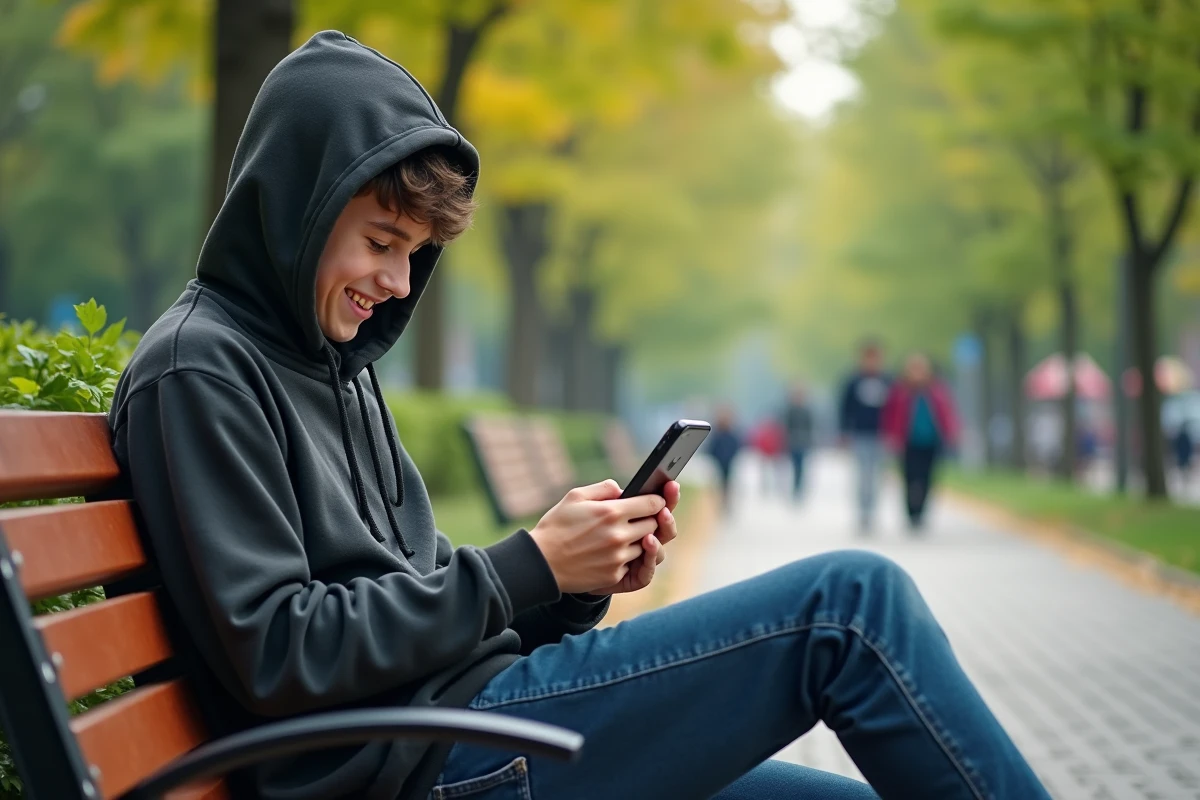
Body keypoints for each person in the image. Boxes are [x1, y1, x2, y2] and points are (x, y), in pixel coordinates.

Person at [109, 32, 1049, 800]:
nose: (396, 284)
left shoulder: (333, 366)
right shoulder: (201, 372)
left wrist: (570, 586)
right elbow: (283, 651)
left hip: (465, 728)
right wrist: (527, 564)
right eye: (381, 243)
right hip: (424, 766)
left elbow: (423, 597)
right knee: (850, 605)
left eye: (415, 254)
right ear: (295, 210)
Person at [881, 353, 960, 529]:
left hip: (931, 441)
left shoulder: (937, 391)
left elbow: (947, 413)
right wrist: (890, 436)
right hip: (907, 442)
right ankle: (911, 512)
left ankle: (921, 512)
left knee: (927, 478)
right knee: (909, 477)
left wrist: (952, 433)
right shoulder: (900, 392)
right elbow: (890, 415)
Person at [838, 340, 891, 530]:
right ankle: (863, 512)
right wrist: (844, 431)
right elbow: (845, 408)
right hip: (860, 435)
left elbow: (895, 408)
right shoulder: (853, 381)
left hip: (881, 435)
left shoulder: (887, 381)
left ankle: (873, 510)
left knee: (877, 475)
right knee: (863, 475)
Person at [782, 383, 815, 500]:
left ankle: (798, 488)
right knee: (794, 466)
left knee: (800, 467)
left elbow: (810, 427)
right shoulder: (790, 410)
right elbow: (785, 426)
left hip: (803, 442)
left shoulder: (806, 410)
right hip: (793, 442)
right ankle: (795, 487)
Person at [707, 405, 742, 514]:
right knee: (719, 484)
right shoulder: (717, 433)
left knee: (727, 484)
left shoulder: (731, 434)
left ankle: (725, 503)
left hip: (728, 462)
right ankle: (719, 503)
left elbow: (736, 446)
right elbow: (711, 448)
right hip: (718, 462)